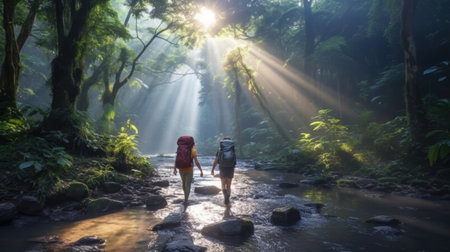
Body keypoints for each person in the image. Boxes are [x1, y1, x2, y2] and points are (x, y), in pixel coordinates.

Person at [173, 136, 203, 205]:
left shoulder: (179, 149)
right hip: (189, 169)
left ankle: (185, 197)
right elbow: (196, 162)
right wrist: (201, 170)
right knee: (188, 184)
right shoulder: (193, 151)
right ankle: (186, 200)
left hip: (181, 169)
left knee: (183, 183)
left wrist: (175, 169)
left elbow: (176, 160)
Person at [211, 137, 236, 205]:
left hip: (222, 168)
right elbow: (234, 160)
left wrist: (212, 169)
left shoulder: (220, 150)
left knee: (223, 184)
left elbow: (216, 160)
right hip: (230, 168)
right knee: (229, 185)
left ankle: (224, 193)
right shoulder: (232, 149)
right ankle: (228, 199)